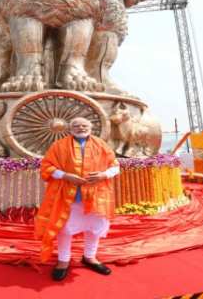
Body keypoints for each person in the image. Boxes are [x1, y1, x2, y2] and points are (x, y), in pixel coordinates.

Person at [34, 117, 121, 281]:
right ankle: (63, 260)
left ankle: (89, 257)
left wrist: (103, 175)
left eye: (84, 125)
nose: (81, 128)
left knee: (94, 228)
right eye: (76, 125)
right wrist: (65, 175)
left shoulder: (101, 145)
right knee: (64, 229)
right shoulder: (58, 146)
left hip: (96, 195)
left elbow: (115, 166)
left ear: (91, 127)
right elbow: (46, 167)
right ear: (69, 128)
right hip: (68, 197)